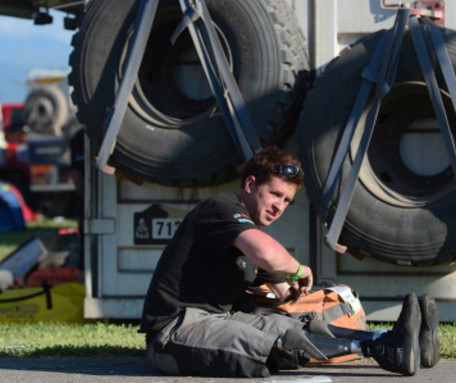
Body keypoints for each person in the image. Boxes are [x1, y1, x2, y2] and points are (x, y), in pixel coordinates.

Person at [139, 146, 439, 378]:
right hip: (173, 332)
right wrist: (299, 269)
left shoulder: (241, 235)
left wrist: (294, 290)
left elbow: (280, 291)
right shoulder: (219, 209)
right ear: (250, 184)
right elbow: (267, 254)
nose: (279, 206)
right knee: (270, 344)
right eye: (275, 194)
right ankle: (383, 350)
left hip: (219, 318)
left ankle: (395, 340)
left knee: (293, 323)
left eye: (286, 201)